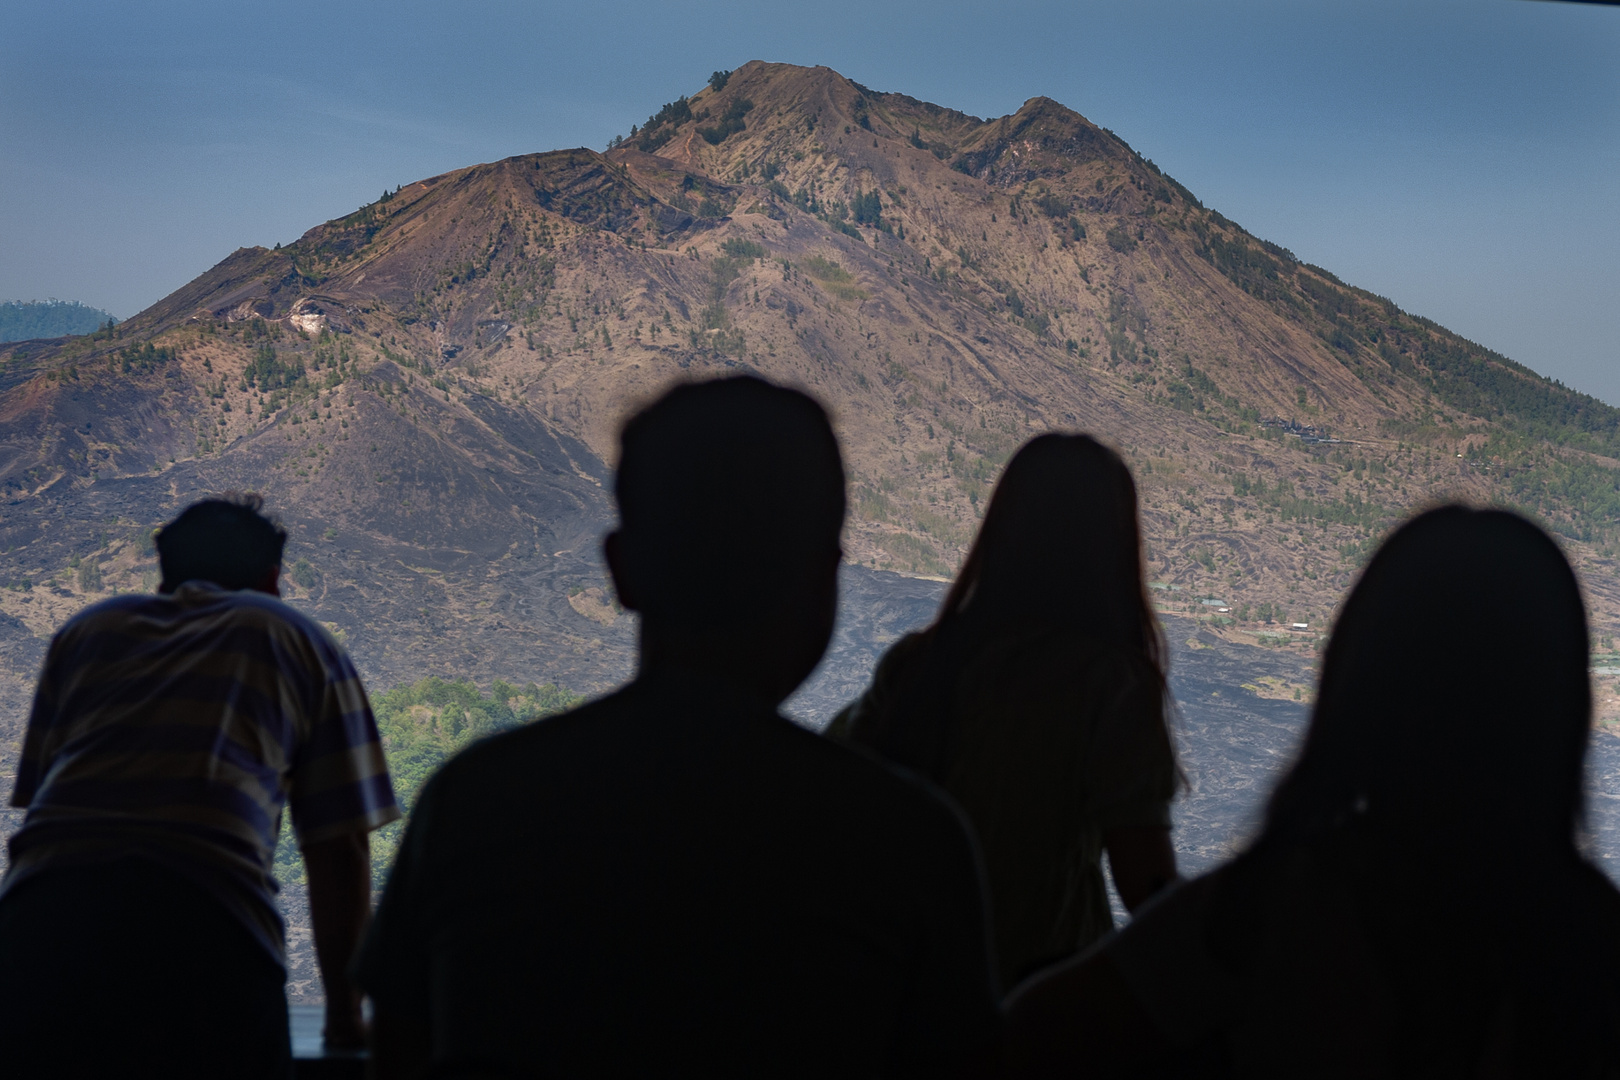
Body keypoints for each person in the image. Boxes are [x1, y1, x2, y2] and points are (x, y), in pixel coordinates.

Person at [357, 375, 1002, 1079]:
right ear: (824, 579)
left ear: (621, 571)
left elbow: (400, 1051)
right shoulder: (906, 840)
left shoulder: (474, 803)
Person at [1005, 506, 1620, 1078]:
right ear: (1558, 706)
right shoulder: (1591, 940)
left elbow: (1027, 1035)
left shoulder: (1268, 911)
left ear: (1358, 684)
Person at [0, 495, 399, 1079]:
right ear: (273, 577)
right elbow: (339, 847)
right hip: (206, 928)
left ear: (164, 568)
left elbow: (47, 804)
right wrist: (344, 1018)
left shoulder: (88, 632)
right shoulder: (295, 637)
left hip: (37, 926)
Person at [829, 433, 1178, 988]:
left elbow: (841, 790)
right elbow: (1149, 886)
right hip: (1039, 1001)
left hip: (906, 986)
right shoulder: (1110, 686)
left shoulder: (920, 662)